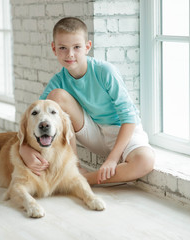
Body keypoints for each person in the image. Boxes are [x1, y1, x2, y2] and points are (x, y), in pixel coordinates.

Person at [20, 17, 155, 185]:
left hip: (123, 132)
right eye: (63, 48)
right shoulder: (58, 81)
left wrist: (112, 159)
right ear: (54, 49)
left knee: (145, 161)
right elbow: (35, 120)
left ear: (87, 47)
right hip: (93, 132)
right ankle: (74, 166)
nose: (70, 54)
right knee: (56, 98)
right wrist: (23, 148)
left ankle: (79, 179)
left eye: (76, 47)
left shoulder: (105, 71)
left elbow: (130, 118)